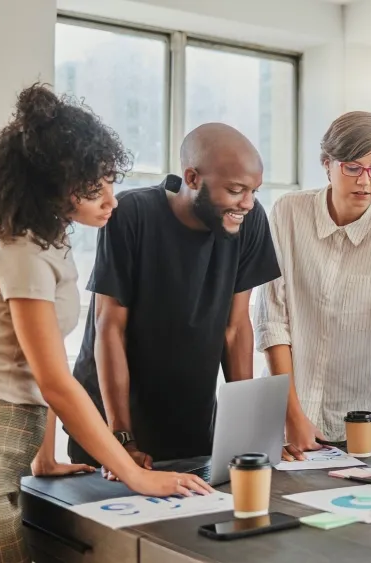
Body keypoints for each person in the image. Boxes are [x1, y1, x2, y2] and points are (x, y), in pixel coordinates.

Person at [0, 84, 211, 563]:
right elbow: (55, 382)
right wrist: (135, 474)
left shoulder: (44, 248)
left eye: (108, 182)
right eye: (92, 188)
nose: (110, 200)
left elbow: (41, 364)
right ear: (50, 187)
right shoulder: (23, 254)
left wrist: (46, 457)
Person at [66, 122, 281, 472]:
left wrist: (246, 436)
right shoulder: (131, 215)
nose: (248, 203)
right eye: (236, 190)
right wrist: (121, 438)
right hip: (111, 424)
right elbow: (109, 328)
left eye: (254, 191)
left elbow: (236, 328)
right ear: (192, 178)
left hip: (191, 425)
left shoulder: (250, 221)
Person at [255, 111, 371, 476]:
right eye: (353, 167)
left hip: (359, 424)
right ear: (327, 164)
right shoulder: (288, 214)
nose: (365, 181)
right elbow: (273, 320)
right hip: (287, 422)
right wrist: (293, 414)